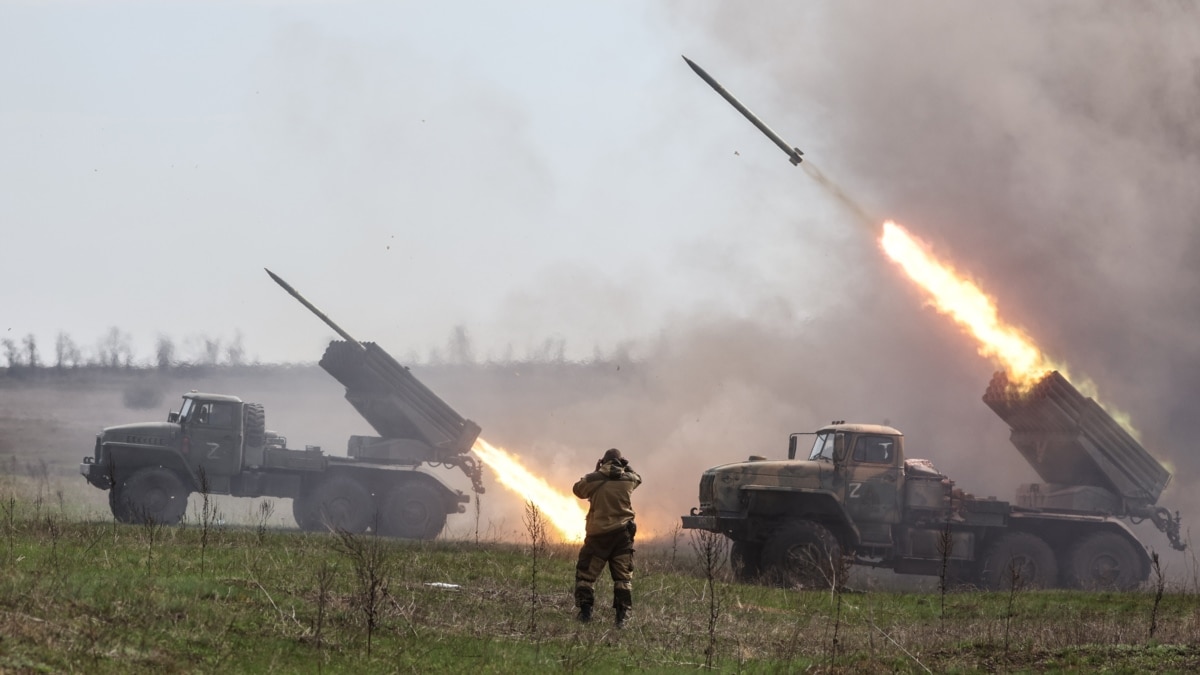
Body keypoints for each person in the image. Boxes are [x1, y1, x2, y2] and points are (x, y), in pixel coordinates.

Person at [572, 448, 641, 627]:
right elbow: (638, 478)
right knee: (623, 579)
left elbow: (577, 490)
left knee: (586, 575)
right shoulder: (628, 479)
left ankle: (585, 614)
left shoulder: (594, 479)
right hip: (622, 537)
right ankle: (621, 618)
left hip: (598, 536)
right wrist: (627, 466)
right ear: (620, 462)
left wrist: (596, 471)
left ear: (603, 461)